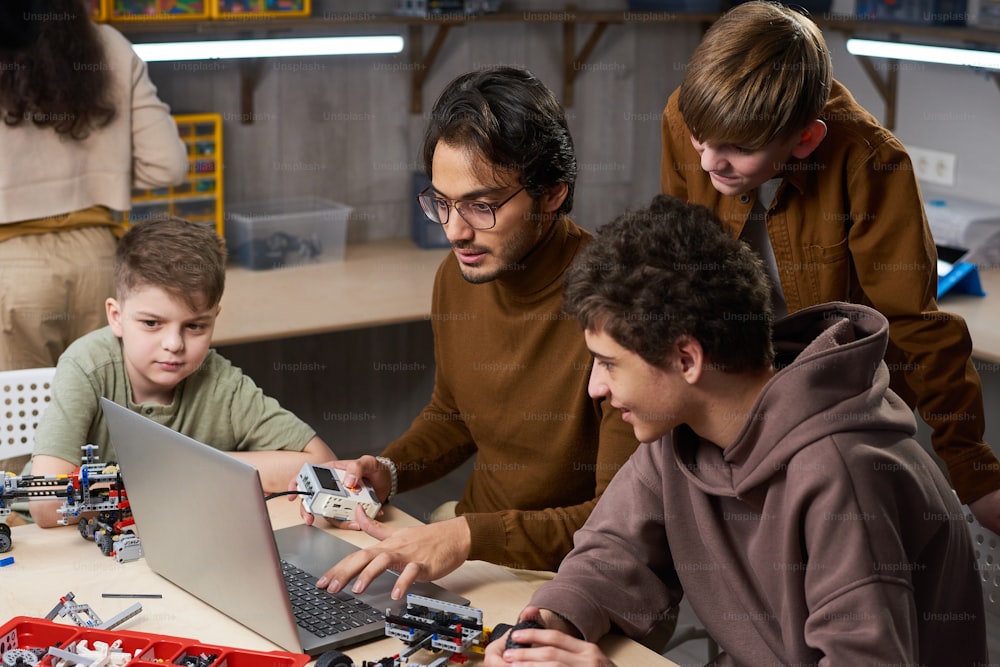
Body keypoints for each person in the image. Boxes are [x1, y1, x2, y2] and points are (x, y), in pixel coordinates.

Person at [485, 194, 988, 667]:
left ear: (687, 359)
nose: (596, 387)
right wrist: (545, 626)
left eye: (609, 364)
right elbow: (614, 552)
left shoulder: (843, 476)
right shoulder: (679, 433)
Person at [298, 66, 639, 601]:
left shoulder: (621, 304)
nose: (455, 231)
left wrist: (468, 535)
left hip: (578, 573)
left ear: (551, 193)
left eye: (482, 205)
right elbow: (453, 414)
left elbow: (619, 521)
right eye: (441, 202)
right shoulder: (458, 277)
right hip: (477, 541)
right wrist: (388, 469)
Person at [659, 0, 1000, 534]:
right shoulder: (686, 113)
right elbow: (680, 254)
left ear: (806, 139)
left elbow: (914, 321)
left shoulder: (871, 161)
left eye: (736, 149)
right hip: (731, 388)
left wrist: (973, 468)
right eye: (701, 140)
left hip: (835, 406)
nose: (706, 162)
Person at [27, 217, 335, 528]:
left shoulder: (222, 383)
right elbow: (48, 504)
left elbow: (323, 465)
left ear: (214, 318)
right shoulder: (87, 365)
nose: (174, 344)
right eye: (152, 323)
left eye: (195, 326)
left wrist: (183, 469)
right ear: (116, 317)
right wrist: (209, 474)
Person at [0, 0, 187, 373]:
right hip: (101, 262)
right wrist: (107, 173)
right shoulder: (109, 45)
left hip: (11, 268)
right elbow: (169, 166)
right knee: (99, 417)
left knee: (20, 422)